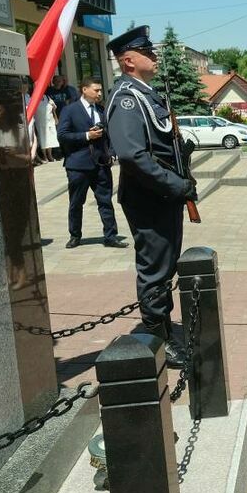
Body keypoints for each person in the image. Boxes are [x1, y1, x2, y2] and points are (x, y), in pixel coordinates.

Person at [104, 26, 195, 369]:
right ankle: (157, 339)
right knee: (155, 269)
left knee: (166, 265)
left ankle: (164, 328)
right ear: (129, 61)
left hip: (162, 196)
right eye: (148, 52)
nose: (154, 57)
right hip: (149, 198)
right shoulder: (127, 98)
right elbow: (131, 155)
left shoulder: (147, 94)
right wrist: (173, 185)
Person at [57, 78, 127, 249]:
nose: (99, 94)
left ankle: (110, 236)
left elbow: (110, 134)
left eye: (100, 90)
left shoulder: (102, 110)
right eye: (96, 90)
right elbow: (62, 135)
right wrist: (86, 135)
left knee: (105, 202)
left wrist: (111, 153)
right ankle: (75, 235)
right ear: (84, 90)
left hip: (101, 165)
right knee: (76, 203)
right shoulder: (70, 110)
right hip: (78, 166)